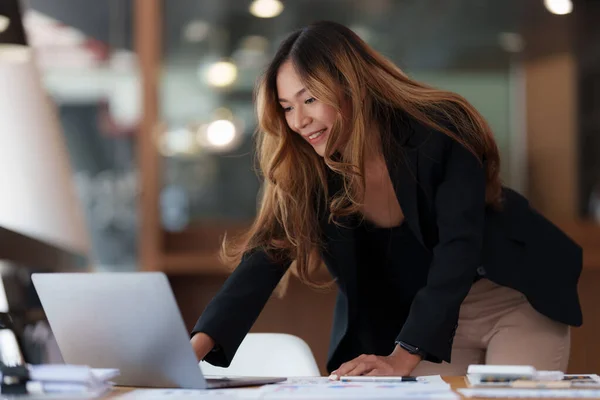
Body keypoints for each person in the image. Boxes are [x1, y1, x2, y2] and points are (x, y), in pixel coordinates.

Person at [190, 21, 582, 377]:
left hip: (510, 299)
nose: (298, 121)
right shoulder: (311, 168)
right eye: (287, 107)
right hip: (439, 320)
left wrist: (401, 357)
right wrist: (192, 350)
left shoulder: (437, 129)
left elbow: (458, 250)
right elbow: (267, 255)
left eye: (309, 100)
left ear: (349, 85)